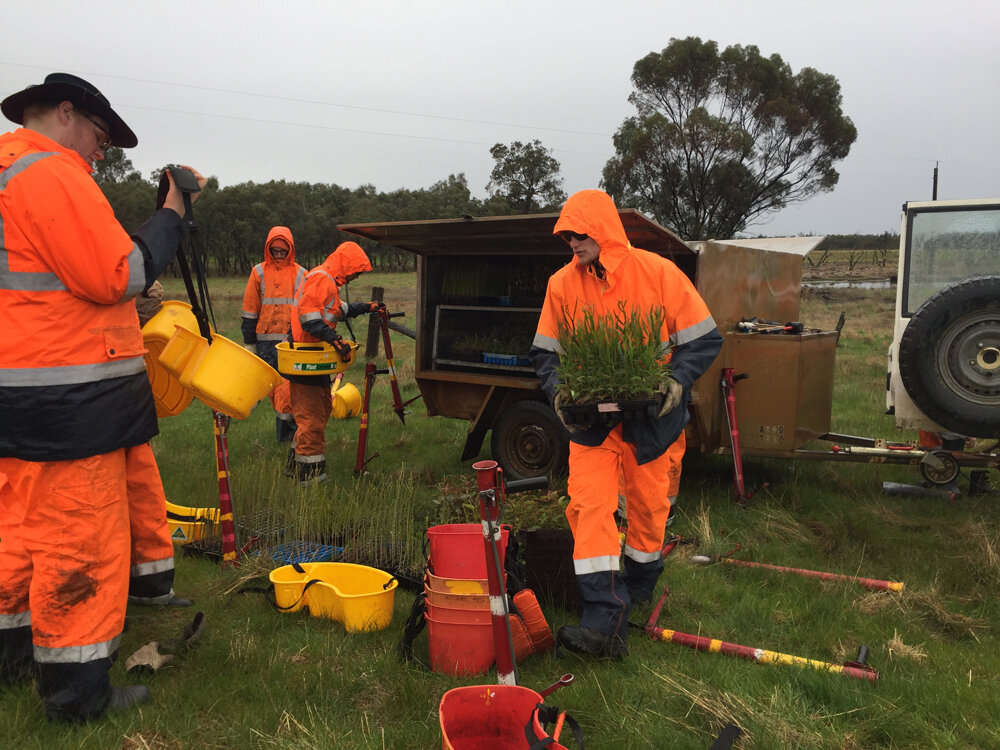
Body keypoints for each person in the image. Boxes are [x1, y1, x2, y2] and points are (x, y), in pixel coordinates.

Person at [0, 72, 206, 722]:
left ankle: (11, 656)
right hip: (69, 407)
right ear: (65, 114)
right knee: (76, 543)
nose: (101, 154)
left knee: (17, 536)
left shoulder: (10, 174)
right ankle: (74, 694)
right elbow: (122, 272)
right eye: (99, 137)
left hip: (24, 397)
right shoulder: (51, 174)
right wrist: (172, 212)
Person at [529, 189, 723, 659]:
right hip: (590, 425)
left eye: (580, 233)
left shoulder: (658, 273)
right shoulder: (562, 284)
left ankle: (636, 590)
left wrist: (676, 382)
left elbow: (703, 339)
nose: (572, 243)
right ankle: (602, 622)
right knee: (588, 508)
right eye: (567, 236)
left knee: (648, 511)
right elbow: (546, 354)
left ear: (604, 230)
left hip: (650, 424)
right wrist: (557, 394)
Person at [286, 241, 381, 485]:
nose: (356, 277)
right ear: (346, 265)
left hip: (313, 360)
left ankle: (294, 465)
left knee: (320, 411)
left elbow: (340, 310)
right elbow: (309, 320)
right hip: (305, 361)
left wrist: (366, 307)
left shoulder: (327, 280)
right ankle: (311, 478)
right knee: (312, 419)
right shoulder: (322, 279)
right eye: (356, 271)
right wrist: (336, 341)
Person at [241, 227, 306, 443]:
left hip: (291, 342)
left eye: (283, 250)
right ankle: (288, 434)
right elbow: (250, 308)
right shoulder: (258, 272)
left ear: (291, 249)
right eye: (275, 250)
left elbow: (307, 308)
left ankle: (289, 435)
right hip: (265, 343)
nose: (279, 253)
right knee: (273, 391)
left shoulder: (301, 274)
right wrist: (249, 341)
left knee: (287, 391)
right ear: (268, 248)